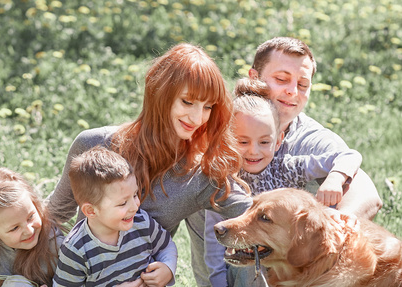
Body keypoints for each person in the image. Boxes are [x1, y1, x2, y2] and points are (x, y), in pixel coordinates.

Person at [46, 43, 253, 287]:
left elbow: (255, 215)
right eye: (187, 102)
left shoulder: (200, 175)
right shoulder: (95, 144)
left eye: (207, 107)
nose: (198, 118)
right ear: (160, 93)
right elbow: (52, 216)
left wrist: (168, 267)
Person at [205, 37, 383, 286]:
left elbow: (366, 191)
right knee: (207, 181)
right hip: (224, 257)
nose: (292, 91)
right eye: (281, 79)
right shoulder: (215, 126)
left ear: (277, 142)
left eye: (302, 84)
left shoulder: (309, 142)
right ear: (254, 77)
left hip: (283, 256)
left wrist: (325, 228)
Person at [53, 146, 177, 287]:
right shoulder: (76, 250)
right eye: (123, 203)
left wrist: (168, 268)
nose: (135, 206)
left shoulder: (142, 221)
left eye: (135, 195)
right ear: (91, 211)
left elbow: (166, 246)